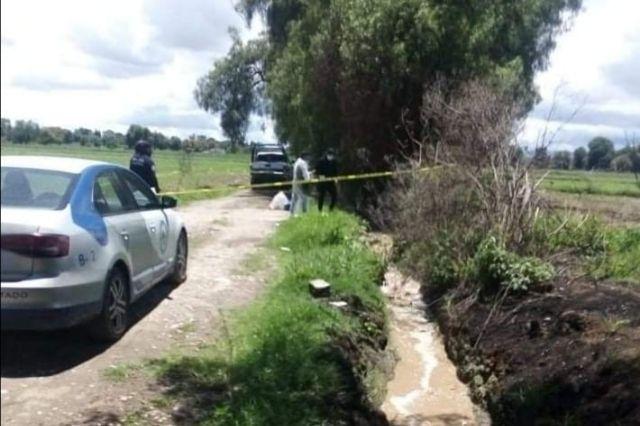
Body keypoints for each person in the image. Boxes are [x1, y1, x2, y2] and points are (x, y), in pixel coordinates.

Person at [290, 152, 311, 216]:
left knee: (294, 198)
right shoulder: (303, 163)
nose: (309, 158)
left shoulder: (297, 162)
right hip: (301, 183)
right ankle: (304, 213)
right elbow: (305, 174)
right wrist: (308, 179)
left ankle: (292, 213)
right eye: (308, 156)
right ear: (305, 156)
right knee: (304, 198)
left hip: (295, 182)